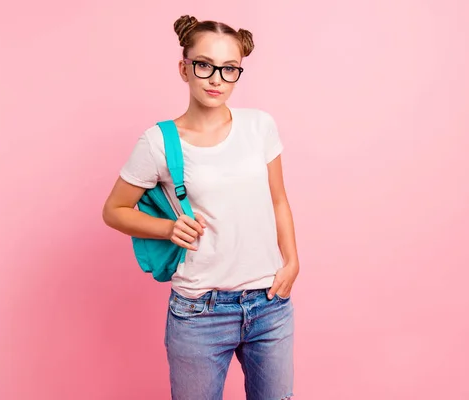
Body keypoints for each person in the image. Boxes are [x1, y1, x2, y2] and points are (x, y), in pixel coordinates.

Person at [102, 14, 300, 400]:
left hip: (269, 305)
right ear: (184, 68)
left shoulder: (259, 126)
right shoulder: (159, 141)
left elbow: (278, 199)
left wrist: (292, 262)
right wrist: (166, 228)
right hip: (199, 311)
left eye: (230, 69)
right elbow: (114, 210)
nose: (216, 79)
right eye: (205, 65)